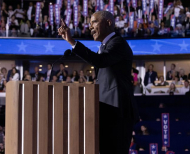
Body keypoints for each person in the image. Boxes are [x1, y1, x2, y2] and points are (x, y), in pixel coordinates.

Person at [58, 11, 138, 154]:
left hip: (118, 111)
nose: (90, 27)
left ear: (108, 23)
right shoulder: (105, 46)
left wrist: (73, 43)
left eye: (94, 22)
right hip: (106, 110)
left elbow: (100, 61)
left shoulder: (118, 43)